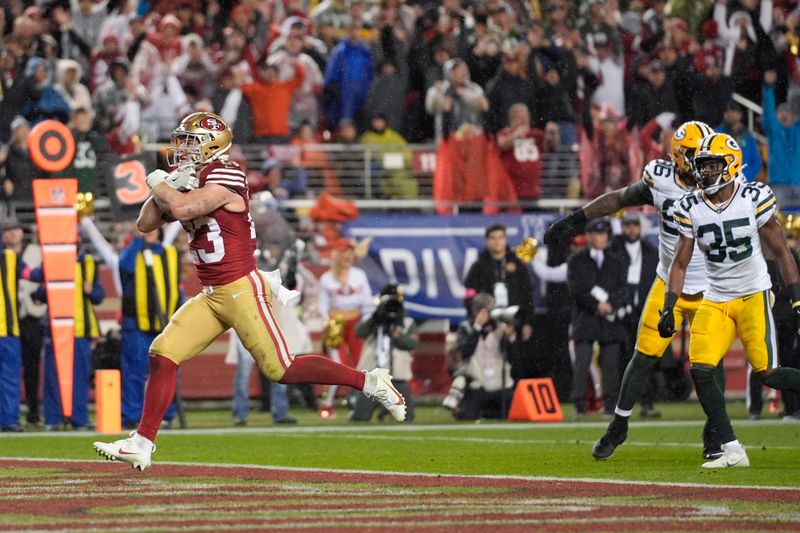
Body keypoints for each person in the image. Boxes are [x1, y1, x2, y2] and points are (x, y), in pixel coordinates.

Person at [94, 112, 405, 471]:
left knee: (281, 368)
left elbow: (183, 208)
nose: (181, 148)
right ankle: (142, 443)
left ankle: (370, 381)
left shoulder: (225, 172)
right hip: (212, 294)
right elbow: (145, 223)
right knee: (162, 353)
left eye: (189, 141)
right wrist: (169, 184)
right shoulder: (189, 178)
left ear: (211, 144)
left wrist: (160, 183)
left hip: (242, 288)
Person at [543, 121, 723, 460]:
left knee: (711, 363)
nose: (701, 162)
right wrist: (574, 219)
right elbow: (618, 199)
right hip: (669, 281)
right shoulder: (661, 177)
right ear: (679, 156)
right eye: (693, 155)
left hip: (712, 285)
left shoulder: (722, 184)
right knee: (643, 356)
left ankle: (715, 431)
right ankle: (619, 425)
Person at [662, 132, 800, 468]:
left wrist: (797, 298)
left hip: (753, 293)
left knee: (768, 373)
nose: (705, 172)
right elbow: (680, 262)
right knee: (702, 370)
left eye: (712, 165)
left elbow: (782, 251)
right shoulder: (690, 206)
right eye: (703, 166)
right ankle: (732, 448)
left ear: (731, 164)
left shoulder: (753, 196)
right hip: (716, 296)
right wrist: (668, 305)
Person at [567, 218, 628, 416]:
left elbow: (624, 288)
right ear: (589, 236)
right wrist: (596, 306)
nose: (600, 237)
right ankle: (580, 403)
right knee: (582, 363)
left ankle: (611, 404)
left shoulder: (616, 259)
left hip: (610, 318)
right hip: (586, 317)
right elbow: (575, 289)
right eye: (596, 233)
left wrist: (611, 305)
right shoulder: (577, 260)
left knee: (611, 364)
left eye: (603, 233)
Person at [38, 252, 104, 430]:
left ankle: (79, 419)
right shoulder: (52, 259)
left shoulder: (90, 261)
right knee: (53, 376)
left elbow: (98, 296)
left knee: (80, 377)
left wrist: (90, 290)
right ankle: (53, 420)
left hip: (81, 330)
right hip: (57, 330)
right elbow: (41, 293)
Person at [609, 213, 660, 417]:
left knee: (645, 359)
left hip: (643, 311)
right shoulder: (613, 249)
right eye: (628, 226)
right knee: (620, 359)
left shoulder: (650, 251)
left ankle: (647, 402)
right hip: (621, 313)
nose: (631, 230)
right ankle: (618, 405)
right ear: (622, 227)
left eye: (635, 226)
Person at [317, 238, 374, 418]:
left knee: (361, 364)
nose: (349, 256)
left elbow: (367, 301)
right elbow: (322, 305)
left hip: (356, 322)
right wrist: (329, 323)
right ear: (338, 255)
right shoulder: (326, 278)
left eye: (351, 252)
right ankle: (326, 405)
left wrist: (366, 321)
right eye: (345, 252)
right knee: (338, 365)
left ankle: (359, 403)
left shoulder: (359, 275)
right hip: (337, 324)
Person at [353, 284, 417, 422]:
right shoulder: (371, 319)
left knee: (407, 418)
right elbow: (359, 332)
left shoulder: (407, 322)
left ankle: (385, 411)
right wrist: (376, 317)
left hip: (397, 379)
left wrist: (396, 335)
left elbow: (411, 344)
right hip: (372, 378)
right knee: (359, 418)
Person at [2, 218, 45, 426]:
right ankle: (9, 416)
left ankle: (30, 412)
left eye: (15, 229)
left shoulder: (19, 257)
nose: (11, 234)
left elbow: (35, 275)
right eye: (7, 230)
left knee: (28, 367)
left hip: (24, 319)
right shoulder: (11, 257)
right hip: (9, 320)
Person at [448, 293, 514, 420]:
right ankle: (468, 408)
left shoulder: (499, 327)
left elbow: (513, 357)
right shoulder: (466, 327)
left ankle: (486, 413)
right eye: (488, 310)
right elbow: (465, 352)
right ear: (476, 311)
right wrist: (477, 327)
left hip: (500, 385)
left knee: (509, 414)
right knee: (467, 416)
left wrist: (510, 337)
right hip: (478, 384)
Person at [463, 223, 534, 325]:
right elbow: (469, 292)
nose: (497, 242)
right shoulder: (478, 266)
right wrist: (475, 315)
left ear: (505, 239)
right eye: (493, 238)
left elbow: (528, 292)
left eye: (500, 237)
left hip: (515, 320)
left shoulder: (517, 264)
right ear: (487, 241)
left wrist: (527, 322)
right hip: (488, 322)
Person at [0, 218, 22, 432]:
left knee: (9, 377)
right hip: (7, 328)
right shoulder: (9, 256)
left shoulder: (10, 257)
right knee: (8, 377)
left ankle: (9, 420)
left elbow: (30, 275)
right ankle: (9, 420)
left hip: (8, 329)